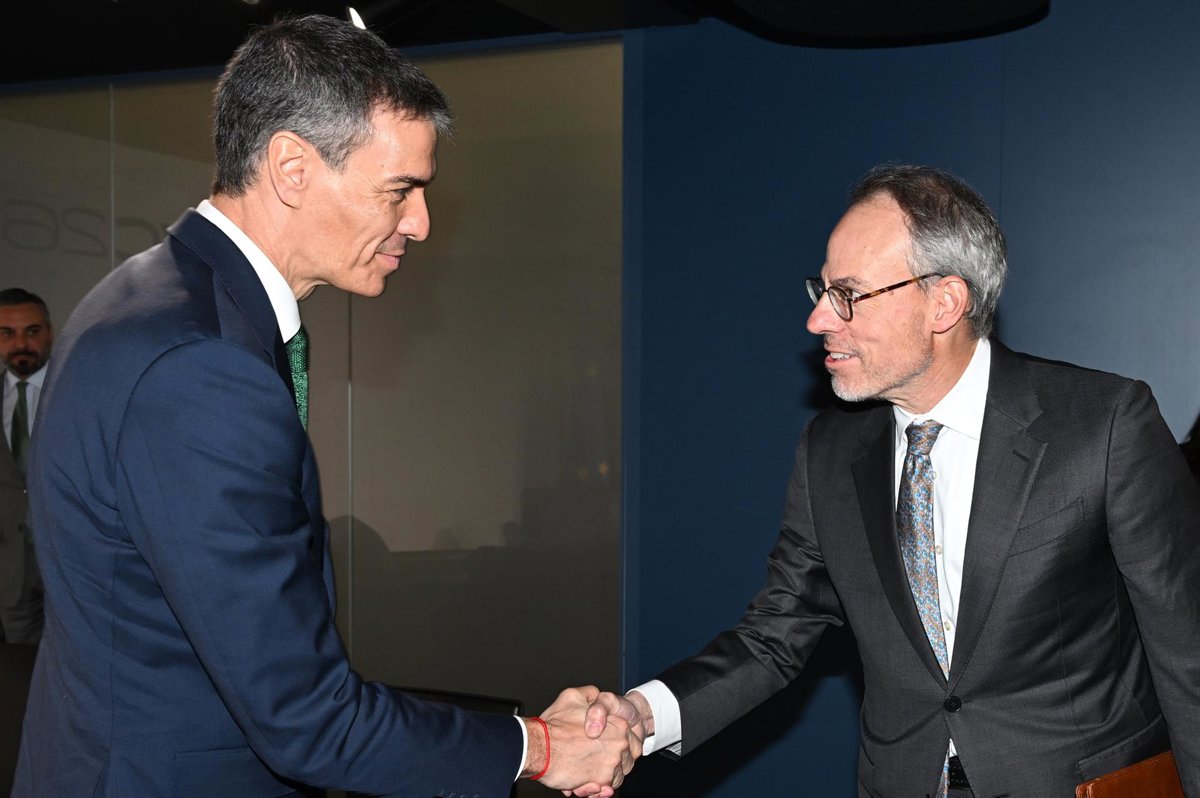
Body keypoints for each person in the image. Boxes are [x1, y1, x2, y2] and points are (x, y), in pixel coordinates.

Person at [14, 15, 636, 798]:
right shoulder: (201, 367)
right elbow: (305, 718)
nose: (420, 223)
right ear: (292, 169)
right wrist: (541, 747)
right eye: (399, 190)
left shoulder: (147, 295)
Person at [586, 164, 1200, 797]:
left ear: (945, 303)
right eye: (821, 290)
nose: (818, 320)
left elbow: (1188, 650)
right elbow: (775, 634)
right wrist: (640, 715)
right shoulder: (830, 451)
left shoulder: (1102, 424)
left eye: (848, 294)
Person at [0, 288, 50, 645]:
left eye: (32, 331)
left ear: (49, 332)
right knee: (18, 670)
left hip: (69, 565)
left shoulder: (76, 391)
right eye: (7, 333)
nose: (21, 344)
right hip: (9, 573)